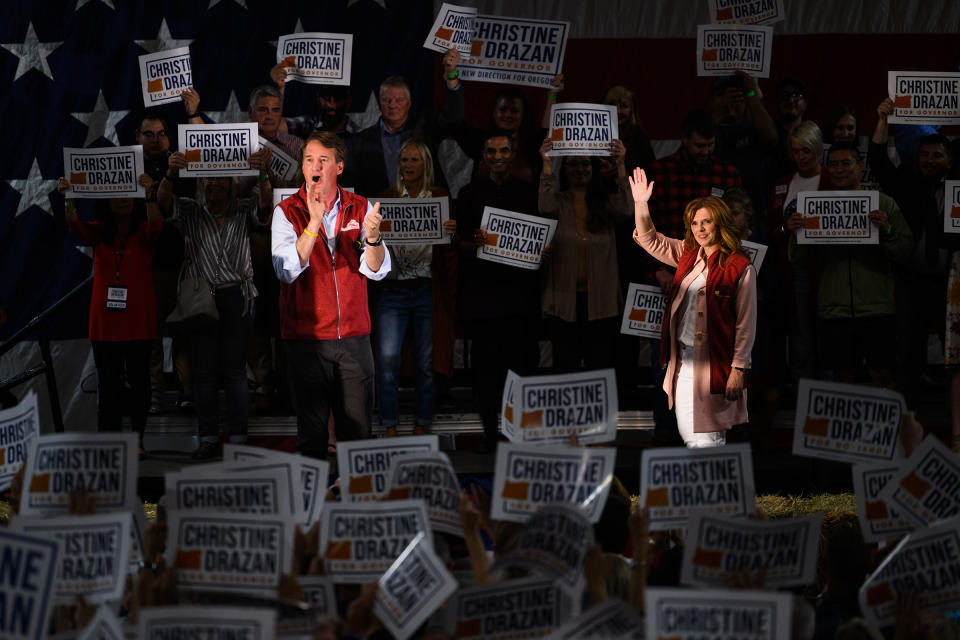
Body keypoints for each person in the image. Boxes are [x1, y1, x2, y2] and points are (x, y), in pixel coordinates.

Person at [271, 131, 391, 459]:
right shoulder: (286, 211)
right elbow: (285, 270)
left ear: (338, 167)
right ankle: (313, 510)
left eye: (323, 160)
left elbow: (378, 270)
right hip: (306, 341)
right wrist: (312, 222)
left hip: (354, 339)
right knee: (312, 436)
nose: (315, 166)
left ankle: (356, 508)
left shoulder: (361, 207)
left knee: (358, 436)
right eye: (309, 159)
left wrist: (374, 239)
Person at [631, 168, 757, 447]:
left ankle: (718, 487)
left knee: (708, 437)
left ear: (720, 224)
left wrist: (738, 369)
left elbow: (745, 325)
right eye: (695, 223)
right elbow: (650, 239)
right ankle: (713, 487)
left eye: (706, 222)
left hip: (716, 364)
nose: (699, 229)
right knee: (691, 435)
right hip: (684, 361)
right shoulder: (687, 254)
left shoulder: (739, 267)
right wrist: (641, 204)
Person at [160, 153, 273, 459]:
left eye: (221, 179)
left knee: (235, 371)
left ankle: (238, 440)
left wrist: (263, 174)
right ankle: (209, 437)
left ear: (231, 182)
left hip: (236, 295)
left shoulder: (244, 209)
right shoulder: (191, 210)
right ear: (202, 182)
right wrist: (170, 174)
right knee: (205, 372)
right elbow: (163, 202)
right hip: (202, 299)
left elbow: (265, 208)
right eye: (210, 179)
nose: (215, 184)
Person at [787, 142, 913, 386]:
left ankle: (886, 424)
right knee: (842, 379)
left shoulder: (883, 204)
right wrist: (796, 235)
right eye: (833, 164)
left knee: (882, 376)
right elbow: (798, 259)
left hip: (876, 309)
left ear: (860, 166)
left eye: (846, 163)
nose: (839, 169)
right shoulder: (814, 208)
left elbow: (905, 252)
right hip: (833, 309)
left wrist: (886, 230)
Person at [58, 174, 162, 454]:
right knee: (109, 388)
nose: (123, 199)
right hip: (105, 323)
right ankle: (110, 443)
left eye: (128, 193)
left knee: (140, 386)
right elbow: (73, 225)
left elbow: (156, 225)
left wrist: (150, 194)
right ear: (107, 201)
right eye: (117, 195)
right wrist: (68, 196)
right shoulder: (96, 231)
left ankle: (137, 441)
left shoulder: (144, 232)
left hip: (139, 321)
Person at [455, 129, 539, 452]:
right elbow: (459, 245)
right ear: (484, 157)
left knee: (520, 370)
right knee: (486, 375)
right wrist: (470, 243)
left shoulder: (528, 193)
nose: (499, 157)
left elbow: (540, 238)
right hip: (483, 301)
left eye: (505, 151)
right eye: (492, 152)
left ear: (513, 154)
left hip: (520, 300)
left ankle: (519, 434)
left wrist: (540, 248)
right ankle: (491, 434)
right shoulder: (468, 193)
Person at [871, 99, 957, 406]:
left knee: (956, 354)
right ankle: (910, 420)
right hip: (912, 282)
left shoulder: (958, 187)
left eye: (937, 155)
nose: (929, 160)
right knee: (908, 352)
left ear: (949, 160)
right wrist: (883, 119)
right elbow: (879, 161)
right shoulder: (907, 183)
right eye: (924, 154)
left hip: (953, 287)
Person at [375, 139, 457, 437]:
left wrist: (450, 233)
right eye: (404, 160)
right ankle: (389, 424)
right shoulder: (386, 198)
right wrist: (371, 233)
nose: (407, 165)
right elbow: (366, 244)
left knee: (424, 363)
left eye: (413, 160)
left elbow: (449, 248)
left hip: (426, 290)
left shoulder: (439, 197)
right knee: (387, 362)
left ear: (425, 165)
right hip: (393, 290)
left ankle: (422, 423)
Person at [537, 137, 631, 371]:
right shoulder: (558, 202)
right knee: (565, 364)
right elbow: (544, 206)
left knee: (600, 364)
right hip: (564, 299)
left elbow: (628, 209)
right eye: (573, 164)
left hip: (600, 300)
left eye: (585, 164)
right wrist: (547, 164)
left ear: (593, 168)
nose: (580, 169)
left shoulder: (605, 203)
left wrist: (621, 165)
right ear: (565, 169)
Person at [341, 49, 463, 198]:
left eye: (399, 100)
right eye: (387, 100)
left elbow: (453, 117)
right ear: (380, 103)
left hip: (424, 210)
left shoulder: (426, 129)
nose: (392, 105)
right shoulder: (359, 143)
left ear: (409, 103)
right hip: (380, 215)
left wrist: (451, 75)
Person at [768, 121, 833, 384]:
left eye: (806, 150)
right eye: (796, 151)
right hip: (793, 270)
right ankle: (802, 393)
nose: (801, 157)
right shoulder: (783, 183)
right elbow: (770, 231)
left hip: (828, 270)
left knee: (826, 333)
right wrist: (786, 226)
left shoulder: (832, 179)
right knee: (800, 334)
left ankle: (828, 390)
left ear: (817, 149)